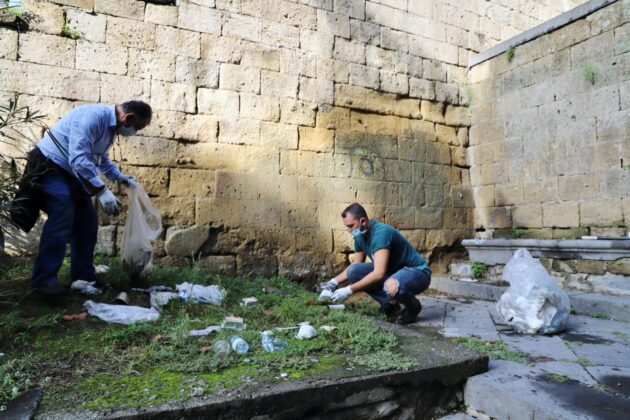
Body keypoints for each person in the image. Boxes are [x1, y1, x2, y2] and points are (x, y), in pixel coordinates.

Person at [26, 100, 152, 295]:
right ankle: (43, 282)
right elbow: (78, 159)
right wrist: (101, 191)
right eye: (137, 127)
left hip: (71, 173)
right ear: (128, 118)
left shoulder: (110, 129)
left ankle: (83, 277)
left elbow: (100, 159)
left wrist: (120, 178)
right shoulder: (93, 117)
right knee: (63, 209)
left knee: (87, 221)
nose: (134, 132)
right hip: (49, 166)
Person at [319, 203, 431, 325]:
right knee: (353, 272)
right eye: (347, 227)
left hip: (416, 272)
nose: (349, 230)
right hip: (393, 272)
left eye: (351, 226)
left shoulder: (381, 233)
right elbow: (356, 264)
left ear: (362, 221)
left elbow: (379, 273)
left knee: (391, 286)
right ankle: (390, 304)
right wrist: (333, 282)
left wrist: (348, 290)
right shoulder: (359, 235)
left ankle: (413, 307)